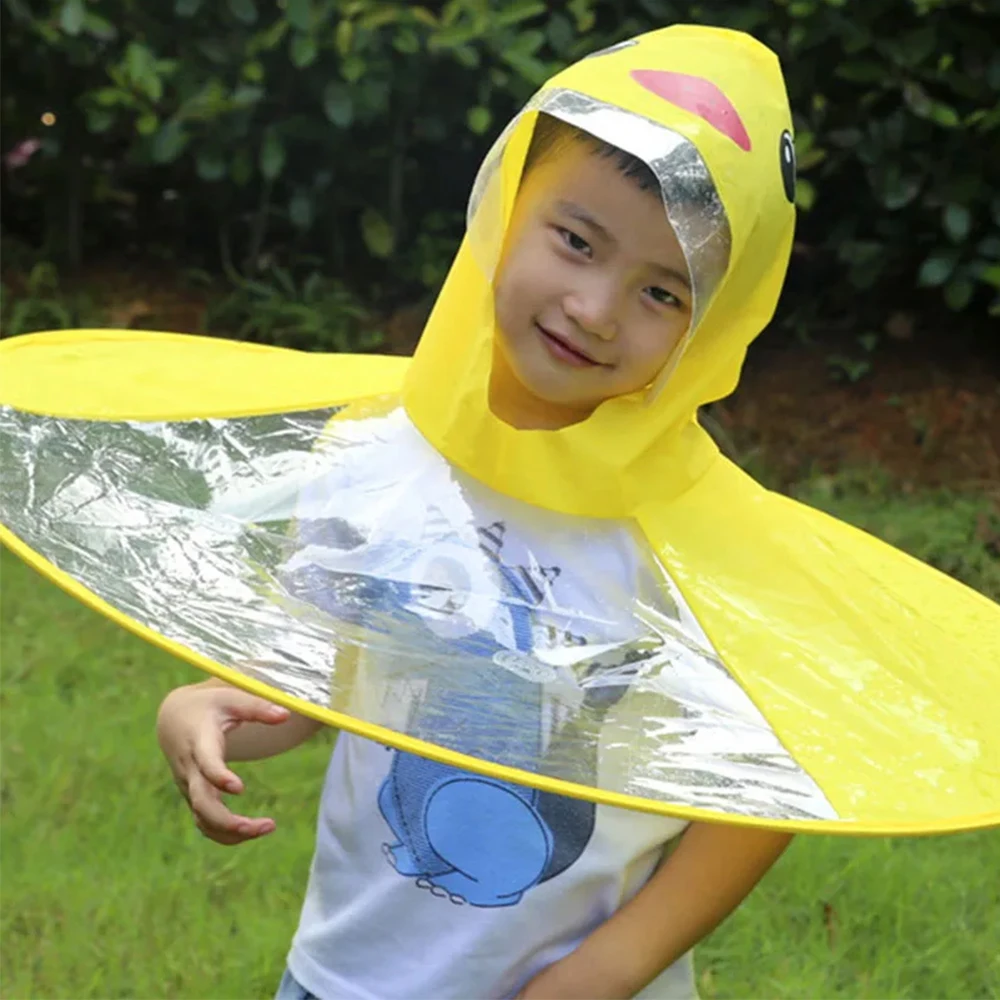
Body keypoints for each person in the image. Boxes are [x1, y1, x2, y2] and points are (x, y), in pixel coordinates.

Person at [156, 27, 798, 1000]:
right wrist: (205, 710)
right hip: (348, 974)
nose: (593, 307)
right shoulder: (376, 457)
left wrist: (608, 969)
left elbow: (760, 793)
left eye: (661, 291)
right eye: (575, 241)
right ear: (503, 209)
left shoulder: (700, 543)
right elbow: (307, 675)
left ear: (714, 327)